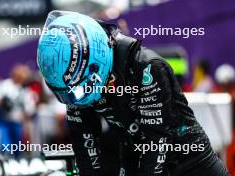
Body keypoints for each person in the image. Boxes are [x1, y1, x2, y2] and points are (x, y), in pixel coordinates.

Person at [37, 11, 230, 176]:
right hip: (134, 154)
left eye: (80, 89)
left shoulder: (147, 68)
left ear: (96, 60)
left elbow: (157, 141)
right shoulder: (74, 82)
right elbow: (84, 140)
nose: (75, 97)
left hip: (190, 159)